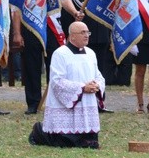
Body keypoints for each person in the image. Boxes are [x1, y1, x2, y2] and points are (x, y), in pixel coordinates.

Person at [28, 21, 104, 149]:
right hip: (69, 104)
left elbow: (99, 75)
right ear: (72, 36)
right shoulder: (60, 54)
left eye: (87, 32)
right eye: (82, 32)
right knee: (64, 141)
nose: (86, 35)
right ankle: (38, 132)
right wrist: (82, 88)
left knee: (90, 142)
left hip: (87, 101)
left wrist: (97, 85)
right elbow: (57, 81)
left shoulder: (91, 53)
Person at [14, 0, 83, 114]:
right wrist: (17, 33)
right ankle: (33, 103)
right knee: (31, 66)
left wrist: (74, 12)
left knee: (56, 66)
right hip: (31, 27)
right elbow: (16, 9)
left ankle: (57, 101)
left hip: (51, 28)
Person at [62, 0, 113, 113]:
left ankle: (99, 102)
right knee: (82, 71)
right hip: (81, 38)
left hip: (101, 35)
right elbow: (66, 16)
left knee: (100, 72)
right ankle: (81, 101)